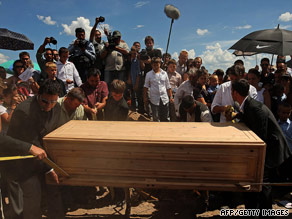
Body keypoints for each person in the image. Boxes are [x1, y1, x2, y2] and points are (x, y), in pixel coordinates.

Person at [5, 79, 64, 219]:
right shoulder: (24, 111)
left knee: (54, 194)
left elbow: (54, 132)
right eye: (45, 101)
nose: (49, 106)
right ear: (38, 94)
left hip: (44, 158)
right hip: (23, 163)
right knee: (32, 199)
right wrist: (49, 168)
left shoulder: (56, 107)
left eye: (53, 102)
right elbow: (32, 143)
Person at [231, 79, 291, 212]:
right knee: (256, 182)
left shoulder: (254, 107)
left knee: (262, 183)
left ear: (235, 93)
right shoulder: (248, 105)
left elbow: (261, 135)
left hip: (269, 149)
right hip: (262, 150)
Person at [144, 57, 172, 122]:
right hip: (154, 98)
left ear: (160, 64)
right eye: (154, 65)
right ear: (151, 65)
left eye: (157, 65)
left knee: (166, 117)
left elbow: (168, 86)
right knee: (156, 117)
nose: (156, 66)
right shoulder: (148, 74)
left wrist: (170, 96)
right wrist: (145, 97)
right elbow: (145, 87)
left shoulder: (164, 73)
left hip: (164, 98)